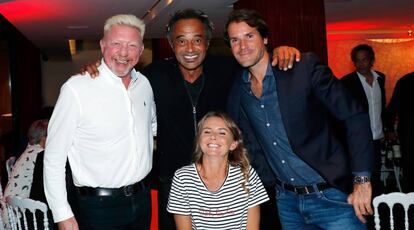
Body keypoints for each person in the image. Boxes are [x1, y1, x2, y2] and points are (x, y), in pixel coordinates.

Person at [81, 9, 300, 230]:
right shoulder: (154, 76)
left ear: (207, 42)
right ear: (171, 44)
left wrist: (277, 51)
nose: (190, 49)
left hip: (226, 183)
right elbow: (121, 78)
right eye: (181, 41)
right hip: (173, 185)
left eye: (197, 40)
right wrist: (97, 70)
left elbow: (255, 60)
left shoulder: (227, 70)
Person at [225, 9, 374, 229]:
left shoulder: (302, 67)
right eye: (234, 40)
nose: (242, 46)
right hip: (287, 202)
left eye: (249, 36)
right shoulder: (239, 88)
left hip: (333, 196)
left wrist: (362, 179)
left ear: (265, 38)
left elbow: (354, 116)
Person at [44, 14, 156, 230]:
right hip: (98, 209)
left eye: (132, 45)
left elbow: (151, 125)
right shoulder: (76, 89)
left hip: (142, 200)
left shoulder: (144, 85)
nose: (123, 52)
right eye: (116, 44)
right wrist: (62, 215)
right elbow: (54, 157)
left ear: (141, 51)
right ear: (103, 46)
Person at [167, 111, 269, 229]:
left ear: (233, 144)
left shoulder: (247, 174)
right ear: (199, 140)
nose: (213, 136)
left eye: (222, 132)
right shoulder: (183, 178)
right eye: (207, 131)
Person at [341, 44, 386, 195]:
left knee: (376, 176)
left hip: (377, 138)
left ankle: (376, 210)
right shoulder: (346, 82)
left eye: (364, 60)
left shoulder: (381, 79)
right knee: (359, 177)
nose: (361, 64)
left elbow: (381, 108)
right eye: (357, 60)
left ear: (371, 60)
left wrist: (385, 129)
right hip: (357, 139)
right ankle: (359, 208)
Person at [385, 72, 414, 192]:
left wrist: (390, 129)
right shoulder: (405, 81)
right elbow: (392, 108)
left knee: (410, 172)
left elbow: (392, 108)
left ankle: (410, 205)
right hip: (409, 133)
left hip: (409, 134)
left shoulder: (405, 80)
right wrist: (390, 128)